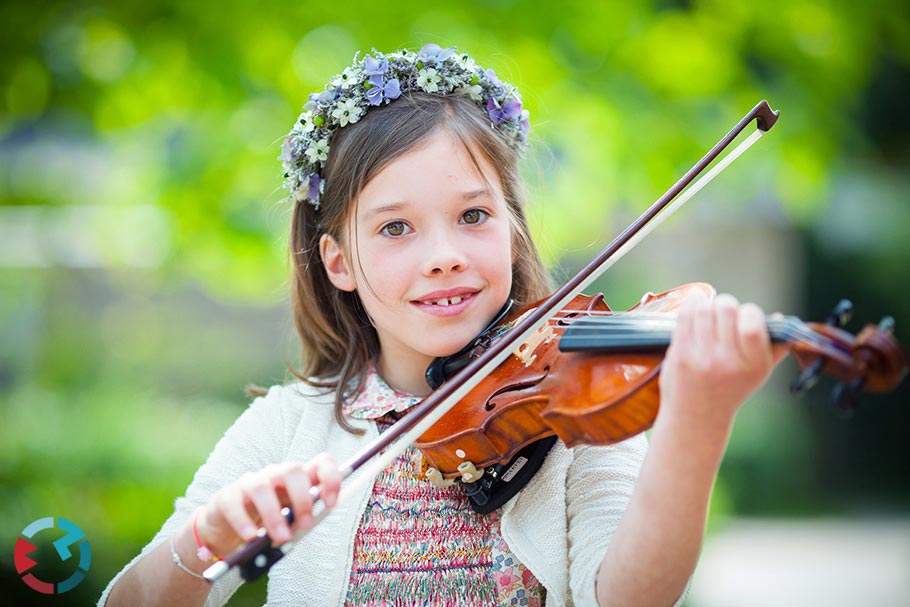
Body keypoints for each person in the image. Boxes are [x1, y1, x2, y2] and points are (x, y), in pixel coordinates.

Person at [99, 44, 784, 607]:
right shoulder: (290, 427)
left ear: (513, 231)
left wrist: (699, 417)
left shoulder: (575, 409)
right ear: (338, 261)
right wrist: (206, 539)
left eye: (474, 216)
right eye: (396, 227)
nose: (445, 256)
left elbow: (632, 597)